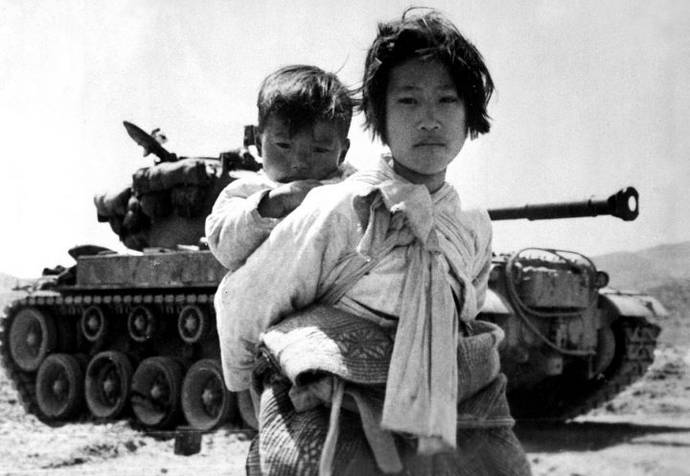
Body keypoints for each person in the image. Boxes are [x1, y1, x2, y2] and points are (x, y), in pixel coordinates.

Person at [217, 9, 531, 476]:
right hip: (339, 412)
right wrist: (247, 387)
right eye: (407, 101)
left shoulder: (473, 224)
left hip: (445, 410)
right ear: (380, 118)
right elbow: (247, 298)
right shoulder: (336, 209)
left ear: (470, 117)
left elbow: (466, 309)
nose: (429, 120)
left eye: (446, 100)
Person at [205, 64, 354, 272]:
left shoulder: (352, 189)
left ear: (342, 153)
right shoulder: (247, 192)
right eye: (284, 145)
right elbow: (223, 246)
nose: (299, 163)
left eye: (319, 150)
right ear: (258, 142)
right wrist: (274, 204)